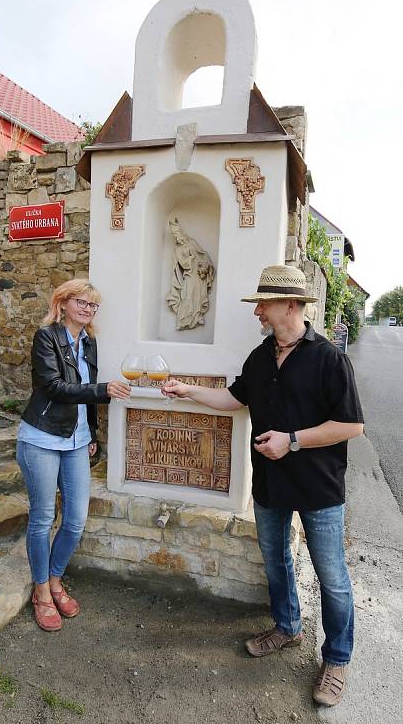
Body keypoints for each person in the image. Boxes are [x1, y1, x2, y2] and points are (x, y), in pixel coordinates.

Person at [163, 264, 364, 708]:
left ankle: (337, 659)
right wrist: (186, 390)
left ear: (290, 305)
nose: (257, 311)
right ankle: (287, 628)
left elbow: (350, 426)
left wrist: (291, 441)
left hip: (318, 488)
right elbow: (234, 399)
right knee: (275, 563)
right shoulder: (259, 357)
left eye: (263, 304)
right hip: (270, 485)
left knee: (332, 579)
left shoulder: (329, 358)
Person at [17, 279, 130, 632]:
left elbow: (85, 396)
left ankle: (54, 578)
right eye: (81, 302)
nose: (87, 309)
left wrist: (91, 433)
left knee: (76, 519)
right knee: (42, 517)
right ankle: (40, 591)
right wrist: (102, 390)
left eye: (93, 305)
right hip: (41, 438)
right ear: (63, 303)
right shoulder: (47, 337)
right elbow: (52, 386)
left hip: (76, 441)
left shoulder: (89, 342)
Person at [166, 217, 214, 330]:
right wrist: (190, 259)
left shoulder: (192, 242)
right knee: (187, 296)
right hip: (188, 275)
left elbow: (203, 255)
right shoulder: (177, 249)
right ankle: (183, 320)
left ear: (181, 233)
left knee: (198, 296)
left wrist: (204, 266)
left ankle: (197, 316)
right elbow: (182, 264)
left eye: (177, 234)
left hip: (198, 276)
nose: (177, 237)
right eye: (174, 235)